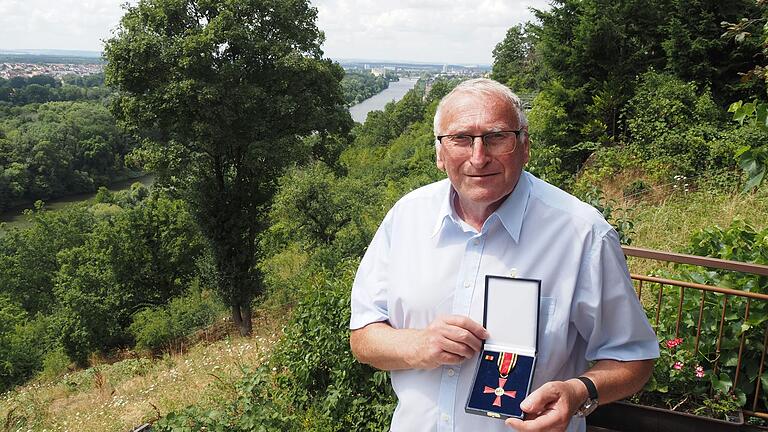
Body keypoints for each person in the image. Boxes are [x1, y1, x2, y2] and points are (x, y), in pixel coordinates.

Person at [349, 78, 659, 432]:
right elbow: (363, 337)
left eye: (497, 137)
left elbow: (634, 357)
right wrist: (418, 344)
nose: (478, 157)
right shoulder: (406, 218)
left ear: (525, 146)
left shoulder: (582, 234)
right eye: (461, 139)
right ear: (439, 152)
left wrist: (578, 392)